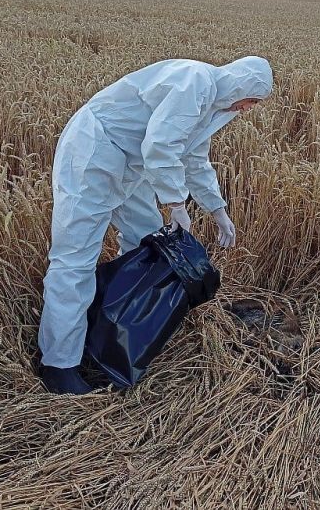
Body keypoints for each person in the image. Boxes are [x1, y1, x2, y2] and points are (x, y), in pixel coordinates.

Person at [38, 56, 273, 394]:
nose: (250, 108)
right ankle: (60, 365)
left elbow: (193, 158)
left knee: (145, 239)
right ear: (242, 85)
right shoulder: (195, 82)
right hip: (93, 152)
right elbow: (160, 146)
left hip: (129, 164)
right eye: (253, 100)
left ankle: (109, 325)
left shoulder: (214, 106)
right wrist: (176, 204)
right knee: (74, 259)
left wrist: (217, 209)